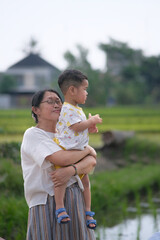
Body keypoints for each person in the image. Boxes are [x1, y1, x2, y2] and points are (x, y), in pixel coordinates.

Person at [21, 89, 97, 240]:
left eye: (58, 101)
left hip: (76, 199)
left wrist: (71, 171)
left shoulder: (65, 134)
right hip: (46, 201)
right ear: (36, 110)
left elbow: (92, 161)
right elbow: (61, 159)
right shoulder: (33, 134)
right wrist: (87, 150)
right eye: (50, 101)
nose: (56, 105)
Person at [53, 69, 102, 229]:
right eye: (85, 89)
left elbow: (79, 129)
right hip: (66, 151)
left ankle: (88, 211)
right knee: (60, 182)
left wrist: (89, 127)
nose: (86, 93)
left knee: (86, 182)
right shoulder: (67, 108)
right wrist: (91, 121)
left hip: (77, 151)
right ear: (72, 90)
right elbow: (76, 126)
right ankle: (60, 208)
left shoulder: (77, 109)